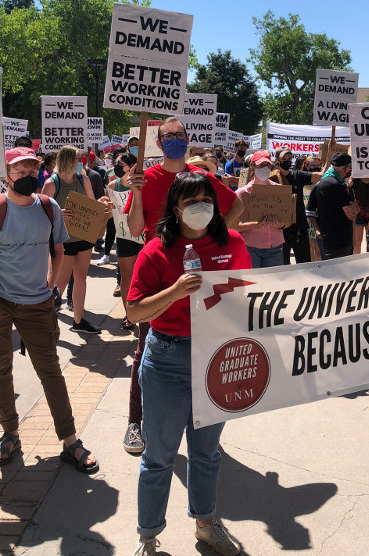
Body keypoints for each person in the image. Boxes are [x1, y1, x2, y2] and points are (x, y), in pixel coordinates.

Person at [126, 172, 250, 556]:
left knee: (207, 452)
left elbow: (249, 294)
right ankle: (148, 537)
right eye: (191, 201)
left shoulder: (231, 242)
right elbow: (133, 312)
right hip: (167, 360)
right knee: (159, 458)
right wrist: (175, 290)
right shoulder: (156, 251)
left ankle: (206, 523)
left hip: (216, 358)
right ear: (175, 209)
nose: (201, 207)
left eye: (207, 200)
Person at [0, 147, 98, 473]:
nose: (29, 176)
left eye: (33, 169)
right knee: (0, 367)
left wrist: (51, 284)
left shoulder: (49, 209)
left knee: (50, 370)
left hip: (37, 304)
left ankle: (70, 440)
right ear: (6, 175)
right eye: (20, 171)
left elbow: (58, 248)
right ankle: (9, 434)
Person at [122, 116, 243, 454]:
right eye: (168, 136)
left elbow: (237, 205)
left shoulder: (201, 177)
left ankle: (197, 419)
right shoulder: (145, 177)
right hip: (160, 274)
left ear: (187, 140)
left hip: (200, 276)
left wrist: (216, 239)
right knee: (148, 347)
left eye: (180, 135)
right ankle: (136, 421)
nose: (174, 139)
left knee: (202, 347)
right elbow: (134, 229)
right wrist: (135, 190)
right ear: (158, 143)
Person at [42, 145, 102, 334]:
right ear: (67, 160)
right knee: (60, 283)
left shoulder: (83, 178)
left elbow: (92, 203)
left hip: (83, 234)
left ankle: (78, 320)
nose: (81, 162)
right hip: (63, 239)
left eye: (81, 158)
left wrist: (102, 204)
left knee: (81, 277)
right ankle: (46, 324)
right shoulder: (52, 184)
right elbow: (40, 212)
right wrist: (58, 213)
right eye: (77, 158)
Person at [107, 150, 141, 330]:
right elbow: (109, 207)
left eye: (121, 164)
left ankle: (144, 313)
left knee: (142, 275)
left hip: (143, 235)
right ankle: (129, 315)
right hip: (123, 236)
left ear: (132, 166)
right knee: (126, 277)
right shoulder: (112, 186)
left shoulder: (142, 184)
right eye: (116, 164)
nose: (118, 167)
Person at [271, 148, 323, 264]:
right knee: (282, 268)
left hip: (299, 229)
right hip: (279, 231)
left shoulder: (297, 175)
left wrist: (328, 153)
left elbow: (321, 175)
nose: (288, 161)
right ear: (277, 160)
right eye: (284, 159)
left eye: (290, 158)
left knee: (304, 266)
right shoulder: (271, 179)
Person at [236, 151, 285, 268]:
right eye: (261, 165)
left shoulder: (280, 190)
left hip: (275, 248)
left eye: (267, 165)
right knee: (253, 284)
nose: (265, 168)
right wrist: (253, 225)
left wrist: (280, 224)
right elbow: (233, 226)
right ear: (252, 167)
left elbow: (287, 221)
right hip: (250, 249)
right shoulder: (242, 193)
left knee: (274, 285)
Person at [306, 152, 359, 259]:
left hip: (326, 239)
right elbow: (351, 215)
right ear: (344, 168)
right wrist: (356, 209)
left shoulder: (320, 183)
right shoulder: (337, 185)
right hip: (338, 241)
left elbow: (309, 211)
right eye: (349, 167)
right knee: (338, 273)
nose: (350, 170)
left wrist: (317, 230)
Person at [352, 178, 369, 253]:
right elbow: (349, 183)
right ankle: (356, 261)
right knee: (357, 241)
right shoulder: (356, 179)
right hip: (358, 215)